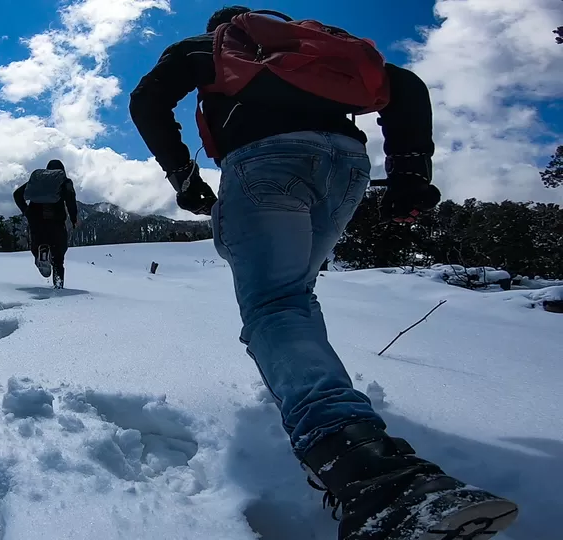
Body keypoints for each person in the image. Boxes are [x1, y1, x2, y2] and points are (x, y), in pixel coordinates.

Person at [129, 6, 518, 540]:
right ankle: (330, 420)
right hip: (345, 166)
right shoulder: (311, 46)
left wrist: (183, 175)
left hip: (265, 162)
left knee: (276, 306)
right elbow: (404, 84)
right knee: (293, 297)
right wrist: (409, 171)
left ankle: (368, 471)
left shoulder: (209, 45)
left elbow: (146, 100)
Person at [13, 159, 79, 289]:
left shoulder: (37, 181)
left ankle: (42, 253)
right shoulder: (64, 181)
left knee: (37, 244)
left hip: (35, 219)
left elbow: (17, 194)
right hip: (56, 220)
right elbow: (70, 198)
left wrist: (26, 211)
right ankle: (58, 286)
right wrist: (73, 218)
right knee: (58, 257)